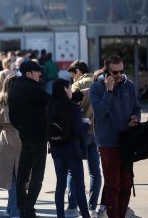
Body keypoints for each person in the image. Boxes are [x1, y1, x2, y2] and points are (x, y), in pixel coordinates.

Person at [90, 54, 141, 218]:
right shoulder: (97, 87)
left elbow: (137, 108)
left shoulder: (130, 86)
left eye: (121, 71)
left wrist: (136, 118)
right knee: (113, 185)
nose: (119, 76)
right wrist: (109, 91)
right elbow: (100, 112)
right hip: (107, 142)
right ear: (106, 71)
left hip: (127, 141)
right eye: (115, 72)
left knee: (127, 184)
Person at [8, 60, 50, 218]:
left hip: (24, 136)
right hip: (39, 137)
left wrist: (23, 128)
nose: (40, 73)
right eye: (37, 71)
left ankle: (23, 207)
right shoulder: (35, 89)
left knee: (23, 175)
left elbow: (12, 117)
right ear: (28, 73)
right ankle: (28, 209)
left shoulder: (14, 89)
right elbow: (53, 103)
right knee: (37, 176)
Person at [48, 79, 91, 218]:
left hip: (56, 148)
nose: (71, 91)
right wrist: (86, 124)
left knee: (60, 185)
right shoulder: (73, 108)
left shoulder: (48, 107)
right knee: (79, 185)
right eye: (69, 88)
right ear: (65, 90)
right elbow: (78, 131)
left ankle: (60, 215)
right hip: (72, 149)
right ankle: (85, 215)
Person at [66, 60, 102, 217]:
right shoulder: (98, 83)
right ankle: (93, 207)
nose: (72, 78)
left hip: (81, 132)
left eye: (72, 74)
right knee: (95, 172)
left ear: (78, 72)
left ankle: (73, 207)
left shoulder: (78, 85)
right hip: (98, 133)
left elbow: (71, 108)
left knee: (72, 170)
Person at [0, 74, 22, 218]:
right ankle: (15, 208)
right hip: (20, 136)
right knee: (20, 175)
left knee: (9, 175)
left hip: (5, 137)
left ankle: (10, 207)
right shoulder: (21, 99)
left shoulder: (0, 100)